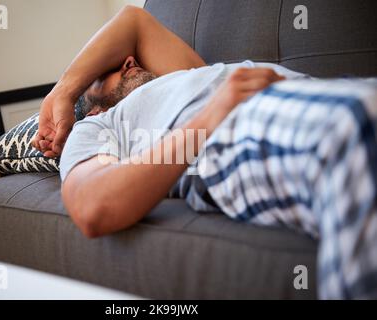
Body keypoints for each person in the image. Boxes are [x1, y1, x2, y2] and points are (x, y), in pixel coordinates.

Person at [32, 6, 377, 298]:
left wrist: (64, 89)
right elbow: (93, 206)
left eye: (125, 60)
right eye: (106, 74)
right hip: (232, 130)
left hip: (322, 91)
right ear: (92, 109)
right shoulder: (97, 126)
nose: (128, 62)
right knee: (356, 128)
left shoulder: (183, 73)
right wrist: (209, 118)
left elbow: (133, 20)